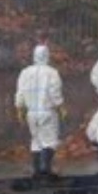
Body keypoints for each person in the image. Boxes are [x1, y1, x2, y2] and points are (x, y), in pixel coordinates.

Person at [15, 44, 65, 178]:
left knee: (36, 140)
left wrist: (20, 110)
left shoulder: (25, 73)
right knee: (50, 140)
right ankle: (45, 168)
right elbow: (55, 93)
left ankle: (36, 169)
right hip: (47, 112)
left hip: (31, 113)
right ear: (47, 55)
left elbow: (20, 93)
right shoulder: (52, 72)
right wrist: (61, 107)